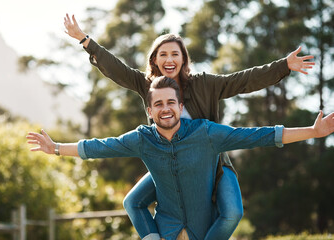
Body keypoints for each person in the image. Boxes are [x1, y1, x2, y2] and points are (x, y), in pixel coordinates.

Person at [63, 14, 315, 240]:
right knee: (132, 201)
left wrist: (284, 66)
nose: (169, 59)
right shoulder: (147, 85)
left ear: (184, 59)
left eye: (175, 54)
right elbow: (117, 69)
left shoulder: (205, 84)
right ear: (154, 60)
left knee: (233, 211)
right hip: (168, 163)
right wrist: (86, 40)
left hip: (211, 162)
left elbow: (244, 80)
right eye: (163, 54)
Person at [27, 76, 334, 240]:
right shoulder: (142, 139)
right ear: (149, 111)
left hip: (206, 232)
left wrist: (312, 131)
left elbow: (259, 135)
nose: (165, 109)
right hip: (166, 232)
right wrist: (55, 148)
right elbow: (97, 147)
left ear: (180, 104)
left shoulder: (206, 133)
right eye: (158, 104)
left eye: (170, 102)